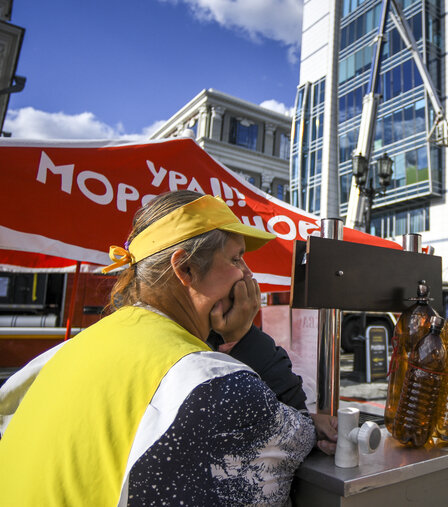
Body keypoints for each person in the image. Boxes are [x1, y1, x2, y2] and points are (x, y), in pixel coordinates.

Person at [0, 190, 336, 506]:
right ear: (185, 268)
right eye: (237, 259)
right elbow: (297, 443)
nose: (248, 276)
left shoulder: (57, 356)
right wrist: (244, 338)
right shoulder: (216, 383)